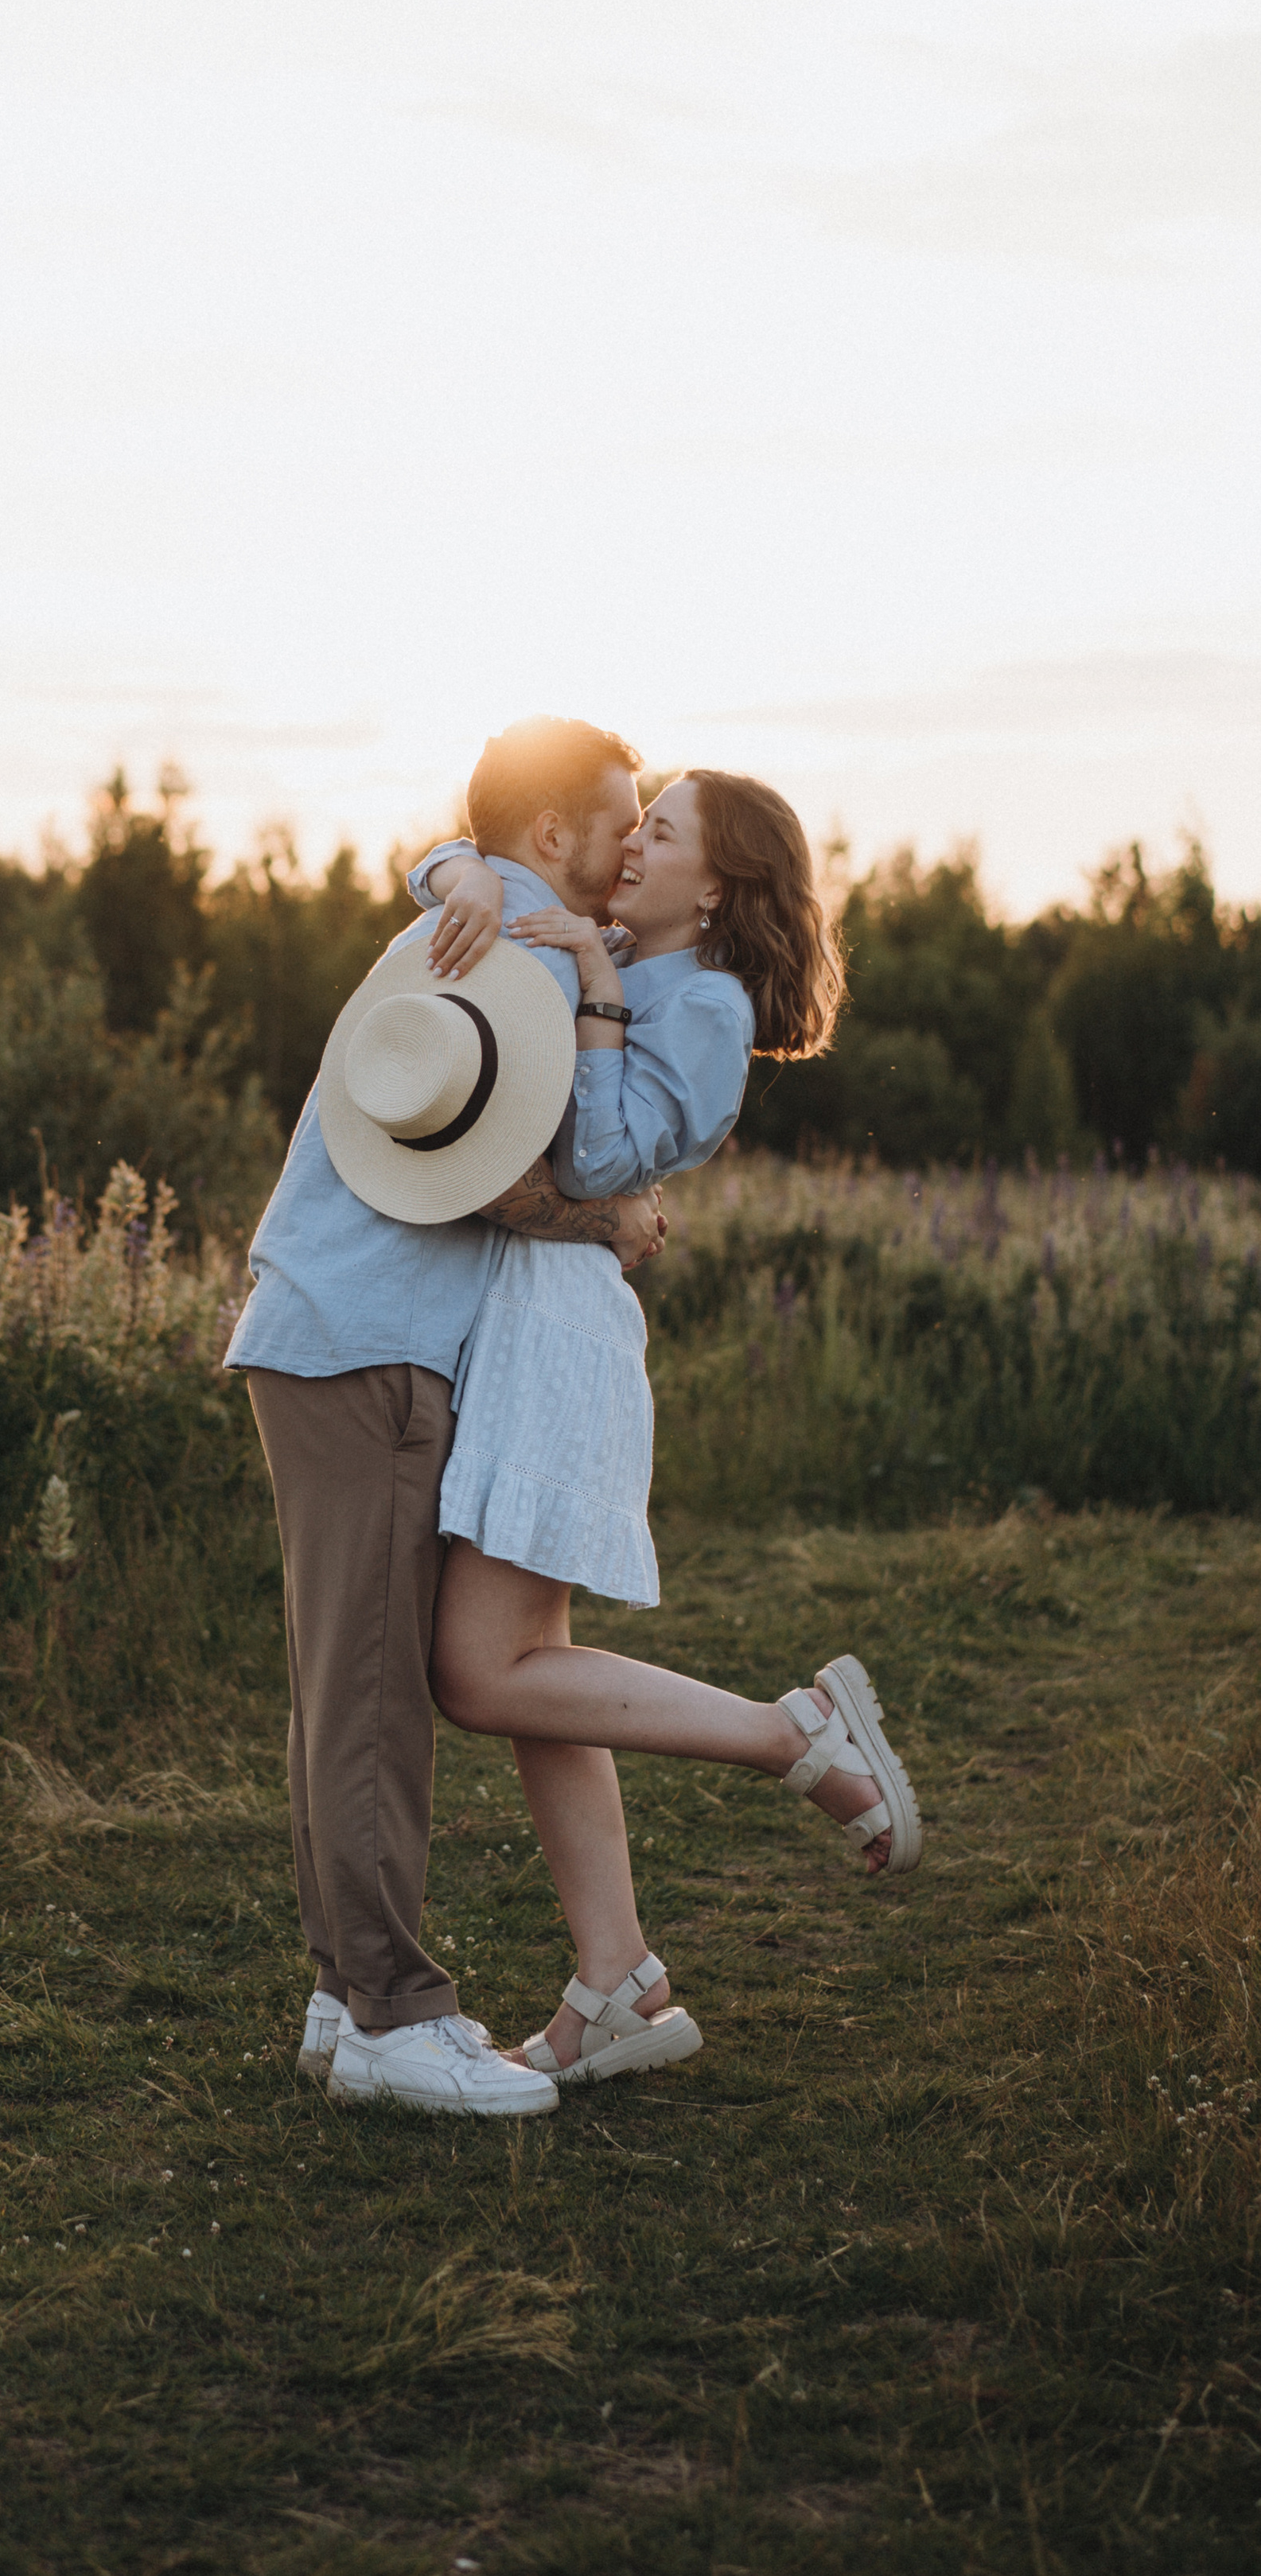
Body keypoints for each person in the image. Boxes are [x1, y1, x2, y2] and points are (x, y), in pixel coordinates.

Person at [409, 769, 923, 2094]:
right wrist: (460, 877)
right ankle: (617, 1981)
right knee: (534, 1675)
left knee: (480, 1674)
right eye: (638, 825)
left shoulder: (701, 1001)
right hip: (520, 1329)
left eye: (666, 834)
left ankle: (790, 1730)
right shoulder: (629, 948)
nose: (634, 846)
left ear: (722, 884)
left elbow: (598, 1162)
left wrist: (588, 980)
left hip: (566, 1342)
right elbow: (461, 866)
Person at [224, 717, 667, 2117]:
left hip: (331, 1329)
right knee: (365, 1693)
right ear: (550, 839)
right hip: (375, 1343)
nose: (634, 841)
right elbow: (493, 1183)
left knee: (341, 1678)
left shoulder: (478, 919)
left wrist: (448, 866)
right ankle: (392, 2018)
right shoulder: (523, 954)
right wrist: (618, 1220)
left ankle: (342, 1993)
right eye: (620, 819)